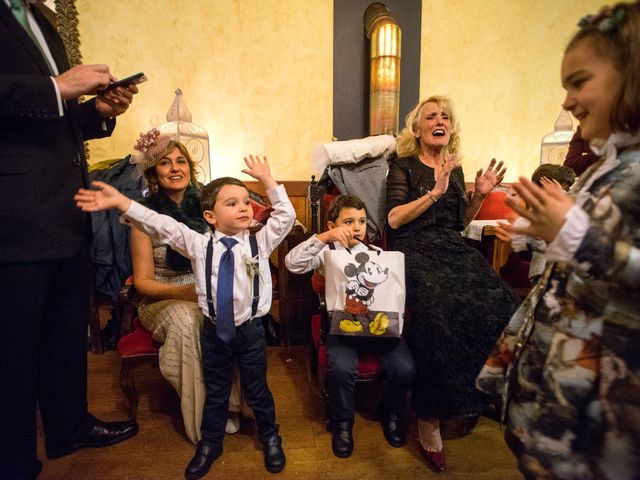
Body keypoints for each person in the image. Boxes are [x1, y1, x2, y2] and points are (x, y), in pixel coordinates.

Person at [476, 2, 640, 479]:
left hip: (607, 400)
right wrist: (543, 229)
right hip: (562, 374)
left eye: (579, 82)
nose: (567, 101)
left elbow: (598, 247)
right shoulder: (605, 164)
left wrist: (575, 236)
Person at [75, 155, 294, 480]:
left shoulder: (259, 241)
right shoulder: (199, 243)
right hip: (213, 331)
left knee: (257, 386)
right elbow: (160, 224)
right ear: (210, 216)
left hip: (250, 331)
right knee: (216, 389)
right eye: (232, 203)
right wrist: (122, 201)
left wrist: (268, 183)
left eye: (246, 202)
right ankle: (211, 442)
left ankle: (271, 435)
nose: (244, 208)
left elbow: (286, 216)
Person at [0, 1, 140, 478]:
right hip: (12, 214)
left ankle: (68, 426)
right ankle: (12, 459)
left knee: (64, 334)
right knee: (13, 347)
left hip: (66, 211)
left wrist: (98, 111)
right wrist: (58, 87)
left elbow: (53, 123)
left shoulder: (41, 19)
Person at [386, 95, 520, 472]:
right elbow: (394, 220)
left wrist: (477, 194)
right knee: (436, 313)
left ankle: (485, 395)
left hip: (450, 246)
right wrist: (434, 192)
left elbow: (460, 222)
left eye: (445, 116)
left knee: (502, 303)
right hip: (412, 249)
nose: (439, 120)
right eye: (431, 116)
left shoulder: (454, 168)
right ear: (417, 128)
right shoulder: (403, 166)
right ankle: (429, 416)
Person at [129, 129, 246, 442]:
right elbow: (142, 283)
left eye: (181, 161)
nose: (175, 168)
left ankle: (232, 404)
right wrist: (182, 293)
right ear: (155, 172)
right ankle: (205, 417)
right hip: (162, 298)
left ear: (191, 169)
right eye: (166, 163)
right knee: (187, 319)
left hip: (205, 291)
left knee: (228, 313)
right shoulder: (144, 217)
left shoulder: (211, 210)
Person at [284, 194, 416, 458]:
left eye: (362, 221)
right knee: (342, 369)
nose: (357, 227)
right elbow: (292, 263)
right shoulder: (326, 253)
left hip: (379, 329)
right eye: (349, 221)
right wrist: (324, 238)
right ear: (333, 225)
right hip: (343, 329)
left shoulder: (377, 254)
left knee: (405, 368)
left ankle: (390, 413)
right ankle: (343, 423)